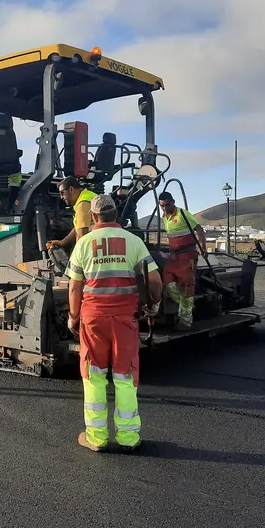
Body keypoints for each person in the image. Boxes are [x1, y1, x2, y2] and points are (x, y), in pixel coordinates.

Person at [66, 194, 163, 453]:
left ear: (94, 217)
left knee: (94, 377)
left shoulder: (84, 243)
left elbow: (75, 286)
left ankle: (96, 438)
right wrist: (153, 305)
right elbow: (154, 280)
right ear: (116, 214)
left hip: (93, 319)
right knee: (125, 376)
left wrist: (73, 317)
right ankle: (128, 438)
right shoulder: (134, 242)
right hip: (125, 320)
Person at [158, 191, 206, 330]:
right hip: (174, 256)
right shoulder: (164, 217)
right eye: (162, 206)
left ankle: (185, 321)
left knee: (186, 286)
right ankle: (188, 307)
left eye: (167, 205)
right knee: (168, 283)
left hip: (187, 254)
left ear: (173, 201)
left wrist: (203, 247)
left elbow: (199, 229)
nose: (165, 208)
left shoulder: (182, 214)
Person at [47, 177, 96, 253]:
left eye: (62, 193)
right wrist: (63, 242)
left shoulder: (83, 204)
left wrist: (75, 259)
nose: (61, 197)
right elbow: (78, 228)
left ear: (71, 189)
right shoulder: (88, 196)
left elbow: (81, 235)